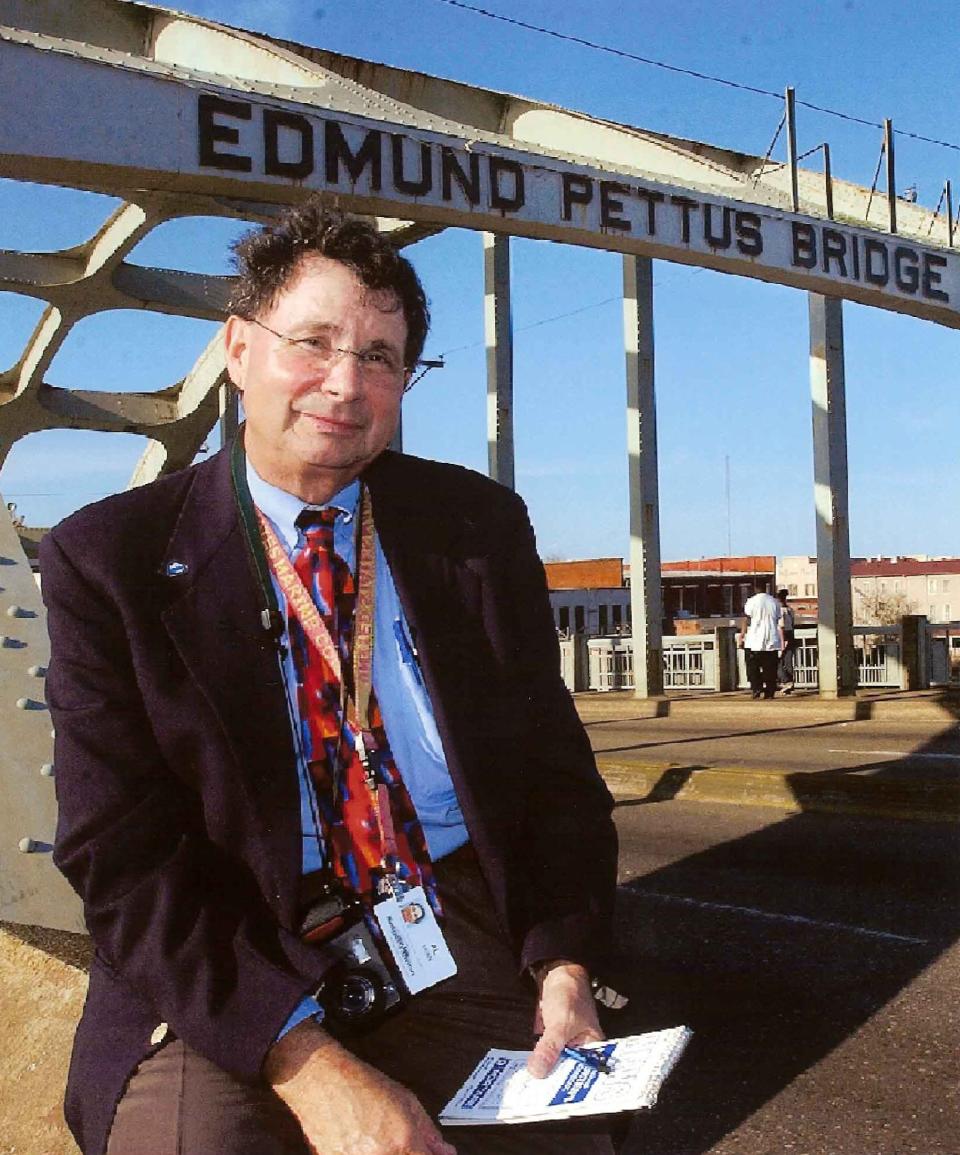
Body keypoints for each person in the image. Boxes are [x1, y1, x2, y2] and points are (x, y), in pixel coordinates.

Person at [40, 203, 618, 1155]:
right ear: (238, 348)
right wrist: (309, 1066)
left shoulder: (474, 529)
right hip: (230, 941)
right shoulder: (112, 558)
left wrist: (564, 964)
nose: (345, 384)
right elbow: (121, 855)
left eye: (383, 357)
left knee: (562, 1140)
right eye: (312, 341)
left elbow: (554, 779)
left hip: (438, 917)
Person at [738, 577, 783, 699]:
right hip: (771, 639)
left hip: (754, 639)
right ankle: (770, 691)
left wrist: (742, 636)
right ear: (766, 587)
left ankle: (756, 688)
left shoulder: (751, 601)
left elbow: (747, 619)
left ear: (755, 588)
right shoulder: (774, 602)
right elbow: (779, 620)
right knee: (770, 669)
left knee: (753, 667)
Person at [776, 588, 797, 693]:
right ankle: (790, 682)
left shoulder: (779, 611)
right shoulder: (790, 610)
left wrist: (782, 642)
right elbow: (792, 625)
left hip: (782, 636)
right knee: (788, 661)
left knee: (778, 661)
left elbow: (781, 627)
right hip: (791, 635)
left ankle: (785, 681)